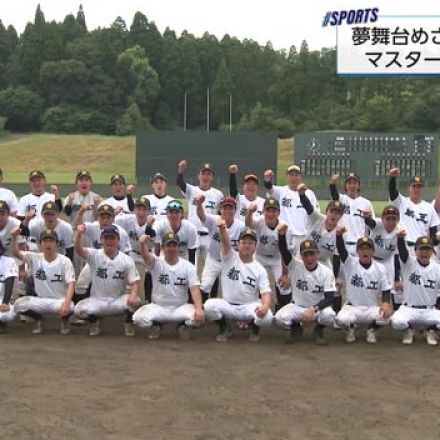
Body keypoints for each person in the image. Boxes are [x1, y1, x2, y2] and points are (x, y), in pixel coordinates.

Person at [204, 223, 273, 342]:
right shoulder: (229, 258)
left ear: (255, 246)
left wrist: (265, 307)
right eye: (244, 242)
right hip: (228, 305)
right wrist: (222, 229)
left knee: (268, 317)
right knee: (209, 306)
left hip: (249, 307)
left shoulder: (259, 269)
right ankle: (224, 327)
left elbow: (266, 293)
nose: (247, 245)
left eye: (250, 243)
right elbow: (225, 242)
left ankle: (254, 328)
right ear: (238, 244)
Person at [133, 232, 204, 340]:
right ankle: (156, 325)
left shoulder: (188, 267)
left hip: (180, 307)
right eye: (168, 245)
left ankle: (182, 325)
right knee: (138, 319)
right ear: (162, 247)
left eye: (174, 245)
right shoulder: (156, 262)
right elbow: (146, 256)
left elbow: (195, 290)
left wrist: (198, 308)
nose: (171, 249)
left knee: (199, 318)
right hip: (159, 307)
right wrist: (142, 245)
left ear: (179, 247)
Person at [74, 224, 140, 337]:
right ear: (101, 240)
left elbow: (134, 282)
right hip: (97, 300)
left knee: (136, 301)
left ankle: (128, 323)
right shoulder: (94, 255)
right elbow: (79, 250)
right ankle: (95, 321)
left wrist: (133, 294)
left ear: (118, 240)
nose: (109, 241)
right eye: (106, 238)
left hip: (117, 300)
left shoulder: (127, 260)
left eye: (112, 238)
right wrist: (78, 235)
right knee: (78, 310)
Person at [275, 227, 336, 345]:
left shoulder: (326, 272)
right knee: (279, 318)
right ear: (301, 256)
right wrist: (281, 235)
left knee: (329, 315)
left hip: (317, 309)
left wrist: (314, 308)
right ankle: (296, 327)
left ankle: (319, 329)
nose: (309, 258)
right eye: (305, 255)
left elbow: (329, 298)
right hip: (297, 307)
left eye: (312, 254)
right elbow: (283, 251)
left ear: (318, 254)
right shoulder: (295, 266)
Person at [11, 227, 75, 335]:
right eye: (45, 241)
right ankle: (38, 319)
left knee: (72, 307)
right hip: (40, 301)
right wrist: (13, 237)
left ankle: (64, 320)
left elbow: (71, 283)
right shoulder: (34, 258)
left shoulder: (65, 261)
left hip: (59, 301)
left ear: (57, 243)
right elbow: (16, 253)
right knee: (18, 305)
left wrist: (66, 303)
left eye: (51, 241)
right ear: (40, 244)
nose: (48, 244)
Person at [335, 228, 392, 344]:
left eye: (368, 249)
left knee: (387, 316)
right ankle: (350, 328)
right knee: (340, 319)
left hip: (372, 308)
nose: (365, 251)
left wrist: (386, 303)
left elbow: (386, 290)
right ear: (357, 251)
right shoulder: (350, 264)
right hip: (352, 308)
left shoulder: (380, 268)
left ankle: (371, 330)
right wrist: (339, 236)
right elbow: (341, 250)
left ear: (373, 251)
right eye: (361, 249)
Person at [391, 232, 440, 345]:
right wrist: (400, 238)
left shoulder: (437, 269)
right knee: (396, 321)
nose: (424, 252)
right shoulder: (408, 264)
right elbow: (402, 252)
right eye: (421, 249)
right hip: (409, 309)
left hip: (429, 310)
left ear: (432, 251)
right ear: (415, 250)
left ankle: (430, 330)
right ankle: (408, 331)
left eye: (428, 249)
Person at [245, 197, 293, 310]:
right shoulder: (259, 221)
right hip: (259, 256)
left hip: (277, 258)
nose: (271, 213)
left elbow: (285, 251)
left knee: (284, 286)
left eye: (274, 210)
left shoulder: (285, 227)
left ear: (279, 212)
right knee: (252, 283)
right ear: (263, 211)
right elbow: (249, 223)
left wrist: (285, 274)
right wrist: (249, 213)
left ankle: (283, 311)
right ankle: (252, 310)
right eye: (268, 210)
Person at [176, 160, 223, 271]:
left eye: (208, 174)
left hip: (209, 236)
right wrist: (180, 171)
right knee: (191, 268)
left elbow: (221, 214)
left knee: (213, 268)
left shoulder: (218, 194)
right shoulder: (191, 190)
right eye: (203, 173)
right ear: (198, 175)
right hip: (193, 234)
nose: (205, 176)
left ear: (212, 177)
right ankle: (192, 288)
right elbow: (180, 182)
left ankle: (212, 289)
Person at [195, 195, 245, 301]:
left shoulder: (240, 227)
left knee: (231, 290)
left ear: (235, 210)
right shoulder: (214, 220)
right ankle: (201, 310)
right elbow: (201, 215)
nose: (228, 211)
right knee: (205, 286)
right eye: (225, 208)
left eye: (230, 208)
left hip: (230, 263)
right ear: (220, 209)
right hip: (213, 260)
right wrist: (199, 204)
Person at [264, 164, 319, 252]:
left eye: (296, 175)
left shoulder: (309, 193)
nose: (294, 178)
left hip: (304, 235)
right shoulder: (281, 191)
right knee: (284, 262)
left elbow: (315, 215)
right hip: (285, 234)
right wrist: (267, 179)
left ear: (300, 177)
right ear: (287, 177)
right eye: (291, 175)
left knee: (300, 264)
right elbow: (269, 187)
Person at [115, 197, 156, 303]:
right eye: (138, 209)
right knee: (125, 271)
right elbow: (110, 221)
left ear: (148, 211)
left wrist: (149, 226)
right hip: (132, 253)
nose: (141, 212)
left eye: (144, 209)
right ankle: (125, 299)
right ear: (134, 209)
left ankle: (149, 299)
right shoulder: (126, 219)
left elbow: (153, 237)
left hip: (148, 253)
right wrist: (114, 213)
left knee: (152, 272)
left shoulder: (154, 223)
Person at [388, 169, 439, 249]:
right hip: (403, 245)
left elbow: (433, 233)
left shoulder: (429, 208)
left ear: (423, 189)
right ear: (409, 188)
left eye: (419, 187)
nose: (416, 189)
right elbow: (392, 192)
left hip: (422, 247)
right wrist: (392, 178)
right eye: (414, 186)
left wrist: (432, 243)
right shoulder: (402, 202)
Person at [363, 205, 401, 309]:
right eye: (388, 218)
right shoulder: (378, 224)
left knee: (394, 288)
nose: (390, 222)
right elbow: (371, 223)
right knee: (367, 284)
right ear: (383, 218)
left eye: (394, 219)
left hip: (388, 261)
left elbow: (397, 256)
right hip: (372, 259)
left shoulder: (399, 232)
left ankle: (396, 311)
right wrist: (367, 217)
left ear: (398, 220)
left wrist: (397, 278)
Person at [329, 173, 374, 255]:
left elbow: (372, 226)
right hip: (342, 243)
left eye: (355, 183)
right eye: (349, 183)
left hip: (359, 245)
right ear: (345, 186)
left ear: (359, 186)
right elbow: (334, 195)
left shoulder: (366, 203)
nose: (352, 186)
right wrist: (332, 184)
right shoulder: (341, 199)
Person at [153, 199, 198, 263]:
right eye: (171, 212)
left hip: (183, 257)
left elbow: (191, 251)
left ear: (182, 213)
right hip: (165, 256)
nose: (174, 215)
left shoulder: (190, 228)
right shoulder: (160, 225)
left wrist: (191, 269)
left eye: (177, 212)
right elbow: (156, 247)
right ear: (166, 214)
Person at [0, 240, 18, 333]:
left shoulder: (8, 261)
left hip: (2, 299)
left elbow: (9, 281)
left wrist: (5, 302)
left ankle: (1, 323)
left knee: (7, 315)